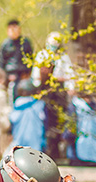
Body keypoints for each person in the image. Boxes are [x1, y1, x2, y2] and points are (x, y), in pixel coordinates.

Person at [31, 32, 75, 160]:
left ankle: (57, 149)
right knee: (46, 118)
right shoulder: (42, 55)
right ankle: (47, 148)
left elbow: (69, 73)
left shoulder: (63, 57)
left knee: (59, 119)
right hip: (46, 92)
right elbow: (36, 75)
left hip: (59, 92)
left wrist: (69, 87)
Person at [0, 20, 33, 99]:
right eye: (11, 28)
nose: (13, 31)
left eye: (15, 28)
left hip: (24, 74)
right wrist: (6, 76)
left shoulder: (25, 42)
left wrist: (28, 73)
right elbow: (2, 62)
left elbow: (30, 58)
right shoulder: (5, 44)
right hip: (11, 75)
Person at [9, 81, 46, 153]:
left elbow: (12, 120)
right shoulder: (39, 104)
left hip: (19, 143)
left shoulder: (16, 105)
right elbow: (45, 121)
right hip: (35, 143)